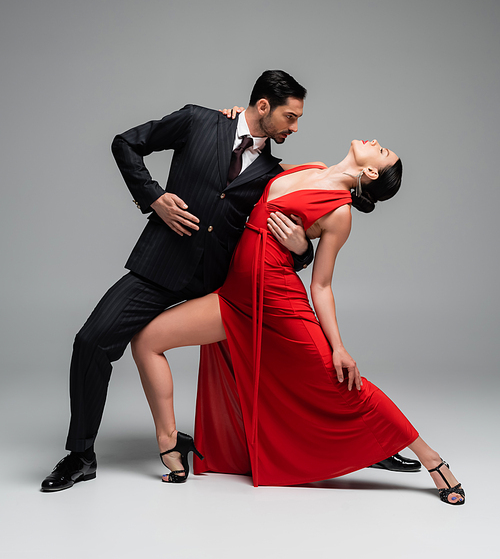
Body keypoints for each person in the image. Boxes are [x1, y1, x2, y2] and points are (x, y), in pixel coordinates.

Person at [131, 139, 465, 505]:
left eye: (382, 152)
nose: (376, 143)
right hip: (235, 297)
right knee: (146, 340)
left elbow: (321, 286)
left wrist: (339, 347)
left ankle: (431, 460)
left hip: (279, 303)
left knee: (341, 382)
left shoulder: (340, 214)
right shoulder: (311, 167)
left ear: (371, 173)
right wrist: (229, 117)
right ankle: (170, 444)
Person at [41, 70, 314, 492]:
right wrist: (153, 196)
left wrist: (301, 249)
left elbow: (289, 236)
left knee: (293, 362)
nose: (295, 127)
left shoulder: (274, 174)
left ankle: (356, 444)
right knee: (91, 342)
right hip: (161, 267)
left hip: (219, 287)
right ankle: (81, 455)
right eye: (291, 117)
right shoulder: (199, 120)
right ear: (264, 106)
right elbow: (126, 143)